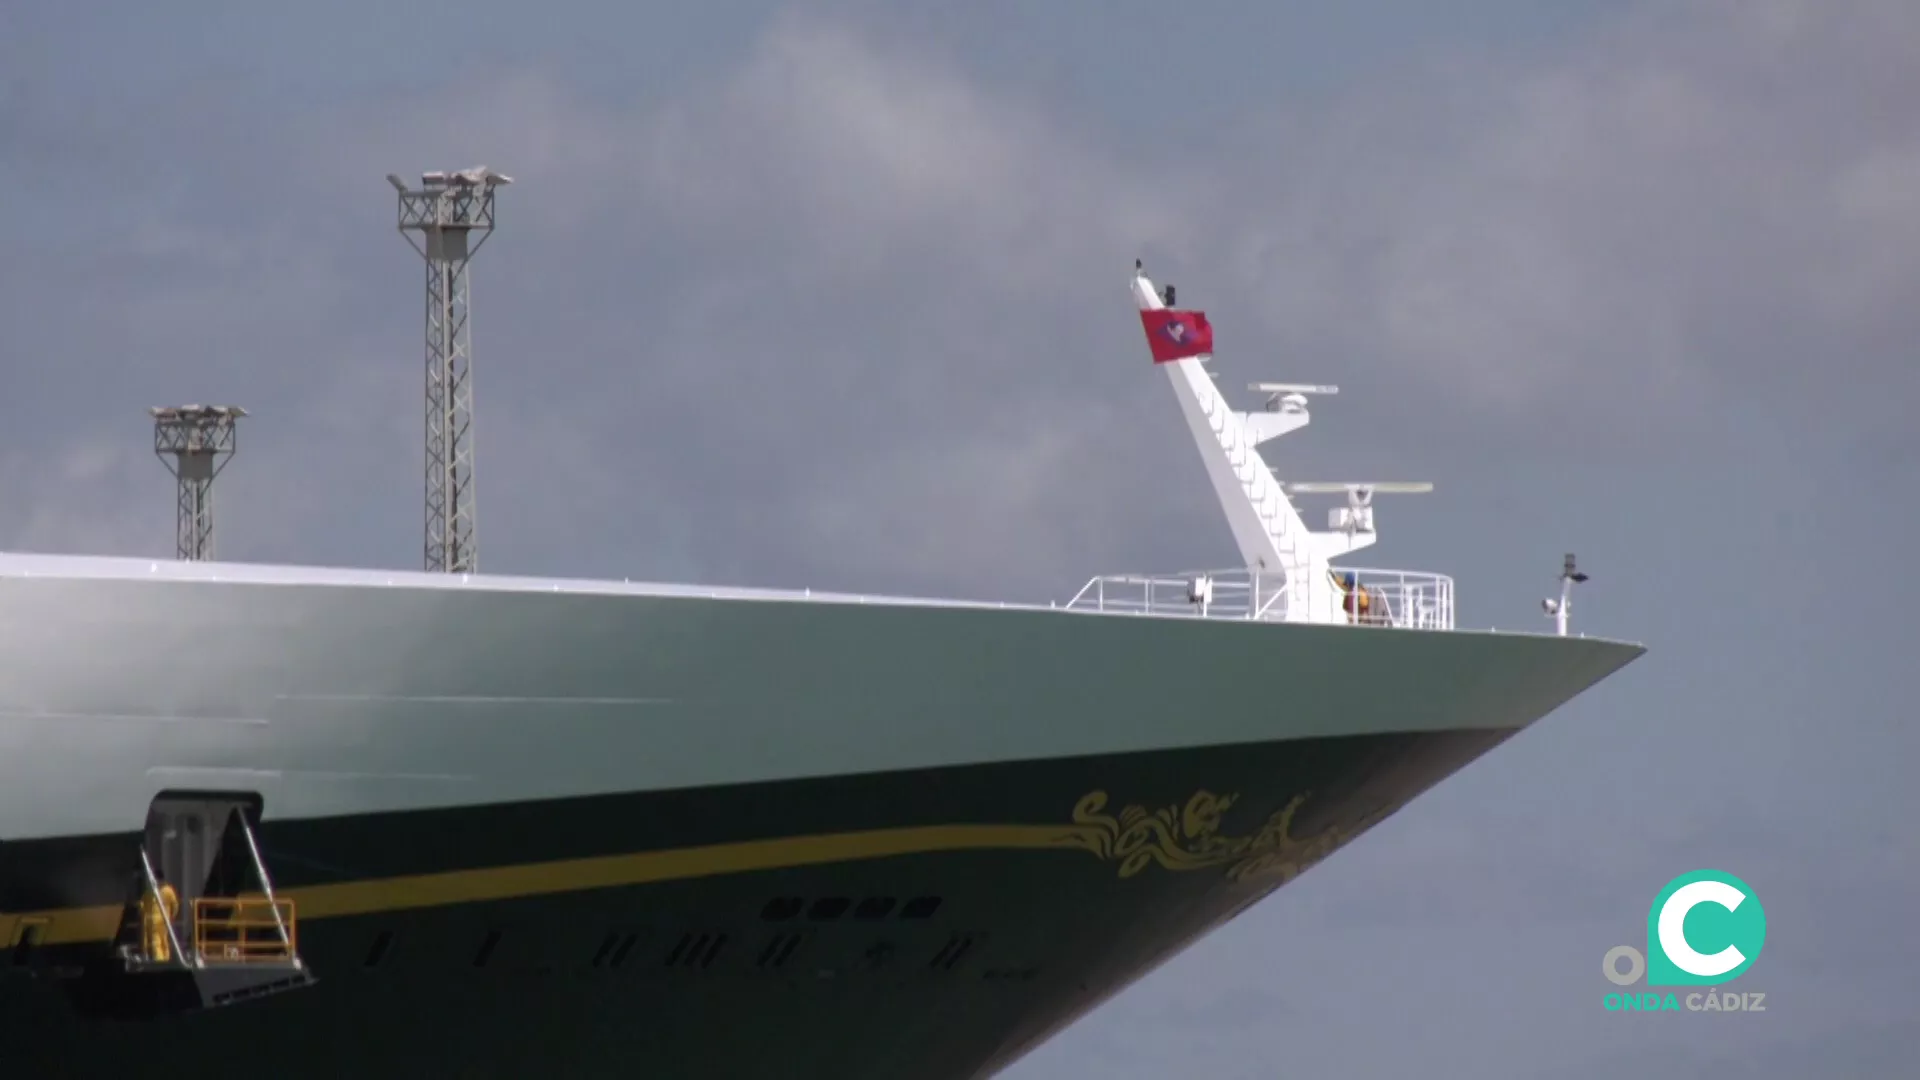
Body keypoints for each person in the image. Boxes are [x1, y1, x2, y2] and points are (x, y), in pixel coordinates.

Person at [141, 871, 181, 963]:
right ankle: (166, 958)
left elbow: (143, 905)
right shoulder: (168, 890)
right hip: (165, 920)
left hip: (154, 920)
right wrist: (172, 916)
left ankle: (160, 960)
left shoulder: (151, 891)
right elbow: (175, 905)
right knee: (164, 941)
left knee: (156, 942)